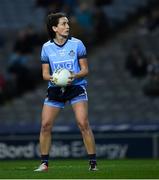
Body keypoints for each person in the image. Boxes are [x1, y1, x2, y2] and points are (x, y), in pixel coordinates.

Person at [34, 12, 97, 172]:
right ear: (55, 28)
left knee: (83, 123)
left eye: (67, 23)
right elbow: (45, 74)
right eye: (63, 24)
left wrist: (73, 75)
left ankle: (93, 163)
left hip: (76, 87)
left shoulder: (77, 44)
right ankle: (44, 163)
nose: (67, 26)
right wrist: (54, 79)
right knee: (45, 125)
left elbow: (85, 70)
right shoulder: (46, 47)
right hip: (55, 88)